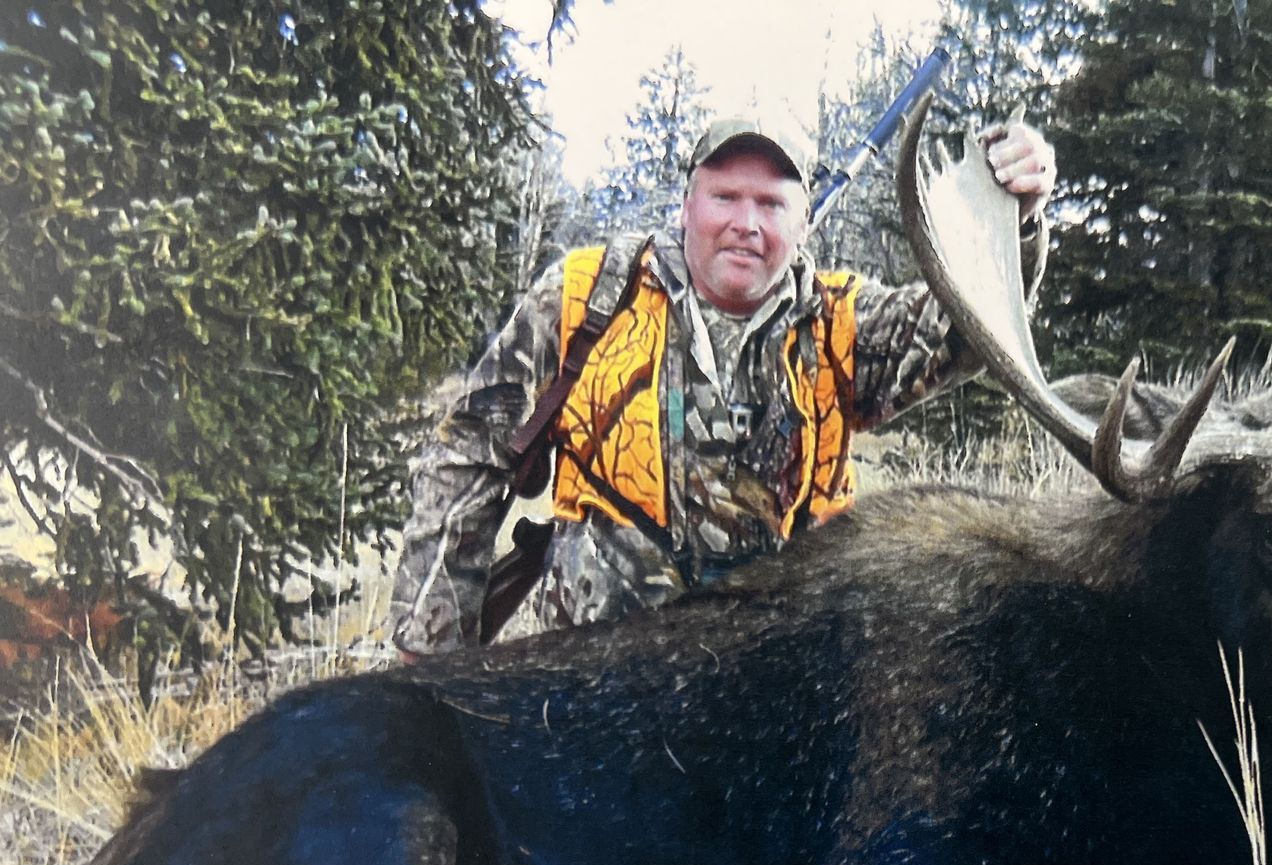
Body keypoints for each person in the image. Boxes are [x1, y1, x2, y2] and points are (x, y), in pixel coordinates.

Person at [388, 107, 1056, 657]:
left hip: (777, 695)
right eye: (726, 197)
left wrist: (1016, 215)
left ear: (802, 221)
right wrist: (431, 656)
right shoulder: (584, 300)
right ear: (687, 204)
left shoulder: (842, 325)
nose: (746, 223)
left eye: (771, 202)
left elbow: (970, 327)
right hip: (592, 692)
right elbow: (466, 464)